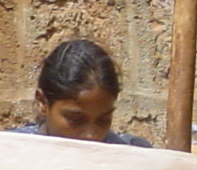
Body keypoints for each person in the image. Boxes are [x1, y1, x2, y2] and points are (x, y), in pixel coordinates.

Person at [12, 39, 152, 146]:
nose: (90, 136)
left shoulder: (131, 157)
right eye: (75, 120)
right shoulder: (9, 153)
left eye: (103, 121)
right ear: (43, 102)